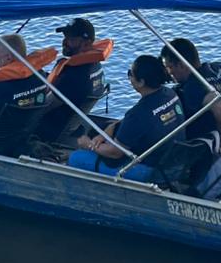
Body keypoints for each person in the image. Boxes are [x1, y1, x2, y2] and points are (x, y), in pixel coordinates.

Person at [67, 54, 183, 182]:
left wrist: (88, 144)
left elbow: (115, 152)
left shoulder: (138, 114)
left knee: (76, 158)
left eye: (130, 74)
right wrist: (112, 127)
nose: (129, 78)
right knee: (106, 126)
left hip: (151, 171)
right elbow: (146, 119)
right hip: (173, 162)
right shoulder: (170, 94)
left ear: (141, 82)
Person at [159, 38, 221, 147]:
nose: (169, 72)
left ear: (181, 65)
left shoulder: (191, 88)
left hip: (209, 148)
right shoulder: (219, 69)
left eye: (169, 67)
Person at [34, 17, 113, 142]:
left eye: (71, 40)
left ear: (86, 43)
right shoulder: (94, 65)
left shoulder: (75, 76)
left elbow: (42, 107)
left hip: (51, 131)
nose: (64, 42)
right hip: (73, 124)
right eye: (65, 37)